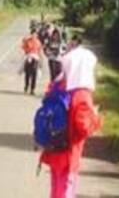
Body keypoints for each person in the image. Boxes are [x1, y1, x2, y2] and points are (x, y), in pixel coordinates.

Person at [39, 37, 102, 198]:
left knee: (56, 190)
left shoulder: (57, 85)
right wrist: (95, 117)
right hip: (69, 152)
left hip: (53, 148)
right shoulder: (82, 94)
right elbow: (83, 127)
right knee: (66, 191)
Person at [21, 26, 44, 94]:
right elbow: (24, 47)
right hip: (29, 57)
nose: (34, 35)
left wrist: (41, 61)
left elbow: (40, 51)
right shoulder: (28, 40)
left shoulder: (38, 42)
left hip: (35, 58)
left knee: (34, 74)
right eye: (33, 33)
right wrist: (28, 51)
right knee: (27, 73)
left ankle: (32, 89)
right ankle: (26, 86)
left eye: (36, 34)